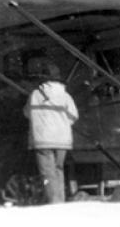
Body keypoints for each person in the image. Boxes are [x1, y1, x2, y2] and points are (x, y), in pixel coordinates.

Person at [22, 54, 78, 204]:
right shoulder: (66, 96)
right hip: (62, 141)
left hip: (42, 140)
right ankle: (60, 201)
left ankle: (54, 204)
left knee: (48, 173)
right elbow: (74, 117)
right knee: (58, 170)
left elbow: (27, 114)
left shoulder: (35, 94)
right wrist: (61, 124)